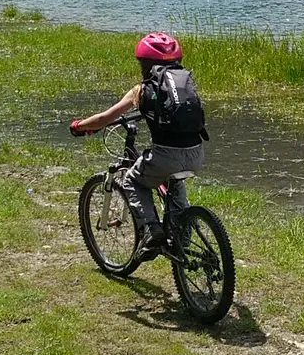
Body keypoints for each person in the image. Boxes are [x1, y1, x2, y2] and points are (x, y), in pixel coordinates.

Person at [69, 33, 206, 247]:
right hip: (197, 154)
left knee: (132, 180)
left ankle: (151, 229)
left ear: (145, 64)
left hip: (166, 157)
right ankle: (183, 237)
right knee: (173, 181)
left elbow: (104, 118)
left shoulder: (141, 90)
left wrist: (79, 126)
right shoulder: (185, 84)